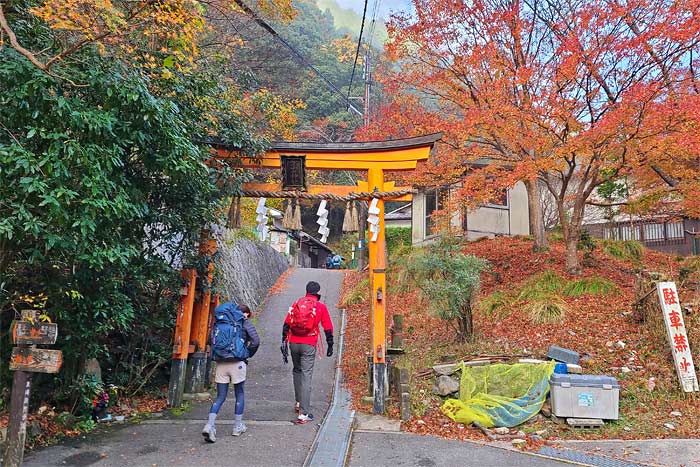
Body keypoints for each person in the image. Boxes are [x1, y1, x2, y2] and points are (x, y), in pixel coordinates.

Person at [202, 303, 259, 443]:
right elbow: (256, 341)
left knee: (220, 396)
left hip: (221, 363)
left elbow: (211, 340)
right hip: (237, 363)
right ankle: (237, 426)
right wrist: (246, 353)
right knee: (239, 393)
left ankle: (209, 425)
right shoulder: (243, 322)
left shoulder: (220, 322)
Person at [280, 281, 334, 424]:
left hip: (293, 342)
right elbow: (327, 326)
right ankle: (303, 413)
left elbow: (287, 323)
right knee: (306, 375)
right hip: (309, 343)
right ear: (318, 292)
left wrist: (283, 341)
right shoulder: (320, 306)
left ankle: (298, 402)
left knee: (297, 370)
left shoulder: (296, 303)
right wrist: (330, 344)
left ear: (306, 291)